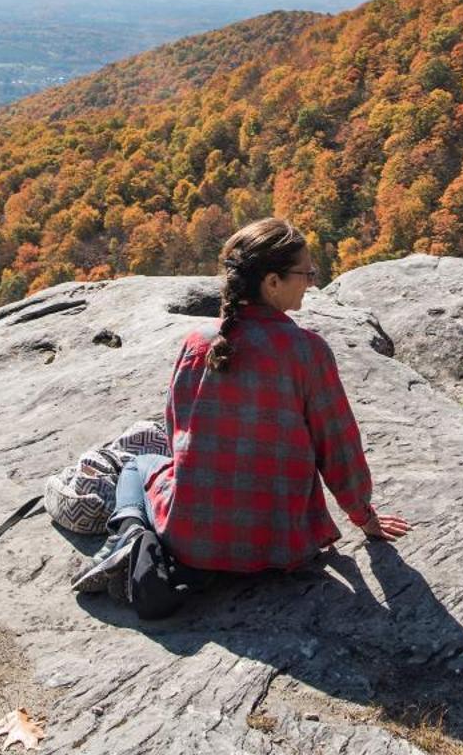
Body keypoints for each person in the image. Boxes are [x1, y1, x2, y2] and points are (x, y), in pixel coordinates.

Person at [73, 217, 410, 614]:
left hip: (192, 540)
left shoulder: (198, 344)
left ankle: (127, 535)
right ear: (271, 282)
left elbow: (175, 431)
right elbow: (336, 446)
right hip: (282, 543)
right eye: (305, 273)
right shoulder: (307, 352)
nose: (311, 282)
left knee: (138, 464)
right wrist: (363, 516)